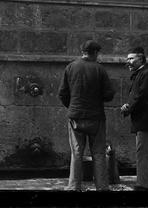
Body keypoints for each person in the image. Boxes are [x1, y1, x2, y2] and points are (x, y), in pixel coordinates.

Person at [58, 40, 115, 191]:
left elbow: (62, 93)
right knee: (98, 153)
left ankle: (73, 187)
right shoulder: (100, 69)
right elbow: (109, 94)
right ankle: (102, 187)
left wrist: (72, 107)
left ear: (82, 52)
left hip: (75, 117)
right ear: (95, 53)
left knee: (76, 153)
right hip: (96, 118)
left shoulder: (70, 67)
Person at [120, 46, 148, 191]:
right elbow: (137, 96)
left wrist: (128, 107)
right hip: (142, 118)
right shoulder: (141, 74)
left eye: (132, 58)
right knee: (144, 152)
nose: (128, 62)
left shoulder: (146, 74)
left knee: (141, 152)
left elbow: (142, 96)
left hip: (145, 119)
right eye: (127, 59)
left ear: (141, 59)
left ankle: (143, 185)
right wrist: (129, 105)